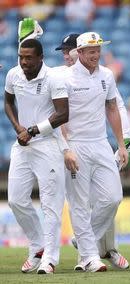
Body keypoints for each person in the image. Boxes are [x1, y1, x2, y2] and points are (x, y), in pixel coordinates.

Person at [53, 33, 130, 270]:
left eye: (98, 50)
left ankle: (83, 240)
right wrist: (66, 149)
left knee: (113, 197)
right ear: (79, 52)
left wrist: (120, 143)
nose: (95, 55)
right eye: (90, 51)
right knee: (78, 202)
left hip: (100, 143)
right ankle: (89, 257)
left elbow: (112, 108)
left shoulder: (107, 75)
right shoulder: (63, 77)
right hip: (76, 144)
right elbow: (60, 116)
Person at [4, 38, 69, 274]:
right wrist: (17, 127)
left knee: (50, 205)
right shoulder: (13, 74)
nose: (23, 62)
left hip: (47, 145)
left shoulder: (53, 78)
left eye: (28, 57)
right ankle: (38, 245)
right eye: (21, 57)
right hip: (22, 144)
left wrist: (32, 130)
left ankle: (49, 259)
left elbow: (63, 114)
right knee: (16, 199)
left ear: (40, 58)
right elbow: (8, 102)